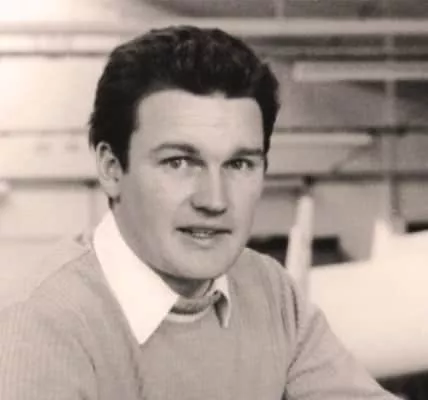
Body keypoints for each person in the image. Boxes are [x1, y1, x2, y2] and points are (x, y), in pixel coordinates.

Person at [0, 25, 399, 399]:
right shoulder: (40, 326)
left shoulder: (270, 292)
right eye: (179, 162)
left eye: (239, 164)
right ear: (111, 168)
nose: (214, 200)